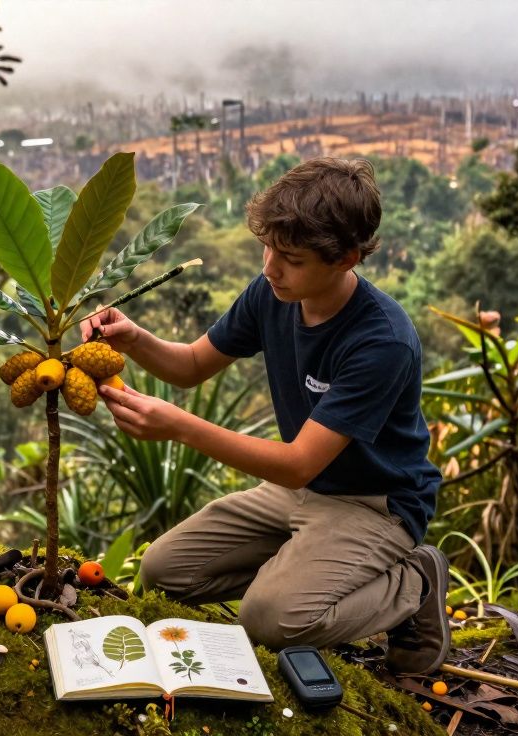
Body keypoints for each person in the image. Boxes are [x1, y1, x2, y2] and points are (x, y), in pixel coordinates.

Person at [83, 157, 449, 675]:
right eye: (269, 247)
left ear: (346, 258)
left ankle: (415, 581)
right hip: (300, 493)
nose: (270, 267)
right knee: (162, 571)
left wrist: (179, 426)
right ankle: (304, 567)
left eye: (291, 258)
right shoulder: (273, 293)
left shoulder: (381, 340)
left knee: (271, 621)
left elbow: (299, 461)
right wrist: (134, 338)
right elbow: (190, 365)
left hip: (374, 503)